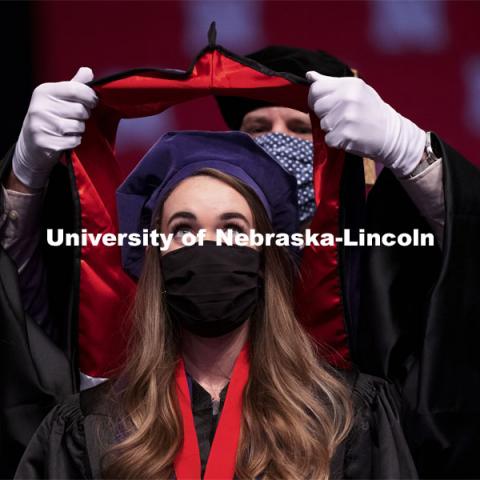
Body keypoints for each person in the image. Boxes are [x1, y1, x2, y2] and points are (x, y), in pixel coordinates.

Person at [14, 131, 417, 479]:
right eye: (183, 229)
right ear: (156, 258)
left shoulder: (345, 417)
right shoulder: (95, 428)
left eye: (233, 229)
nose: (208, 246)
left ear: (265, 257)